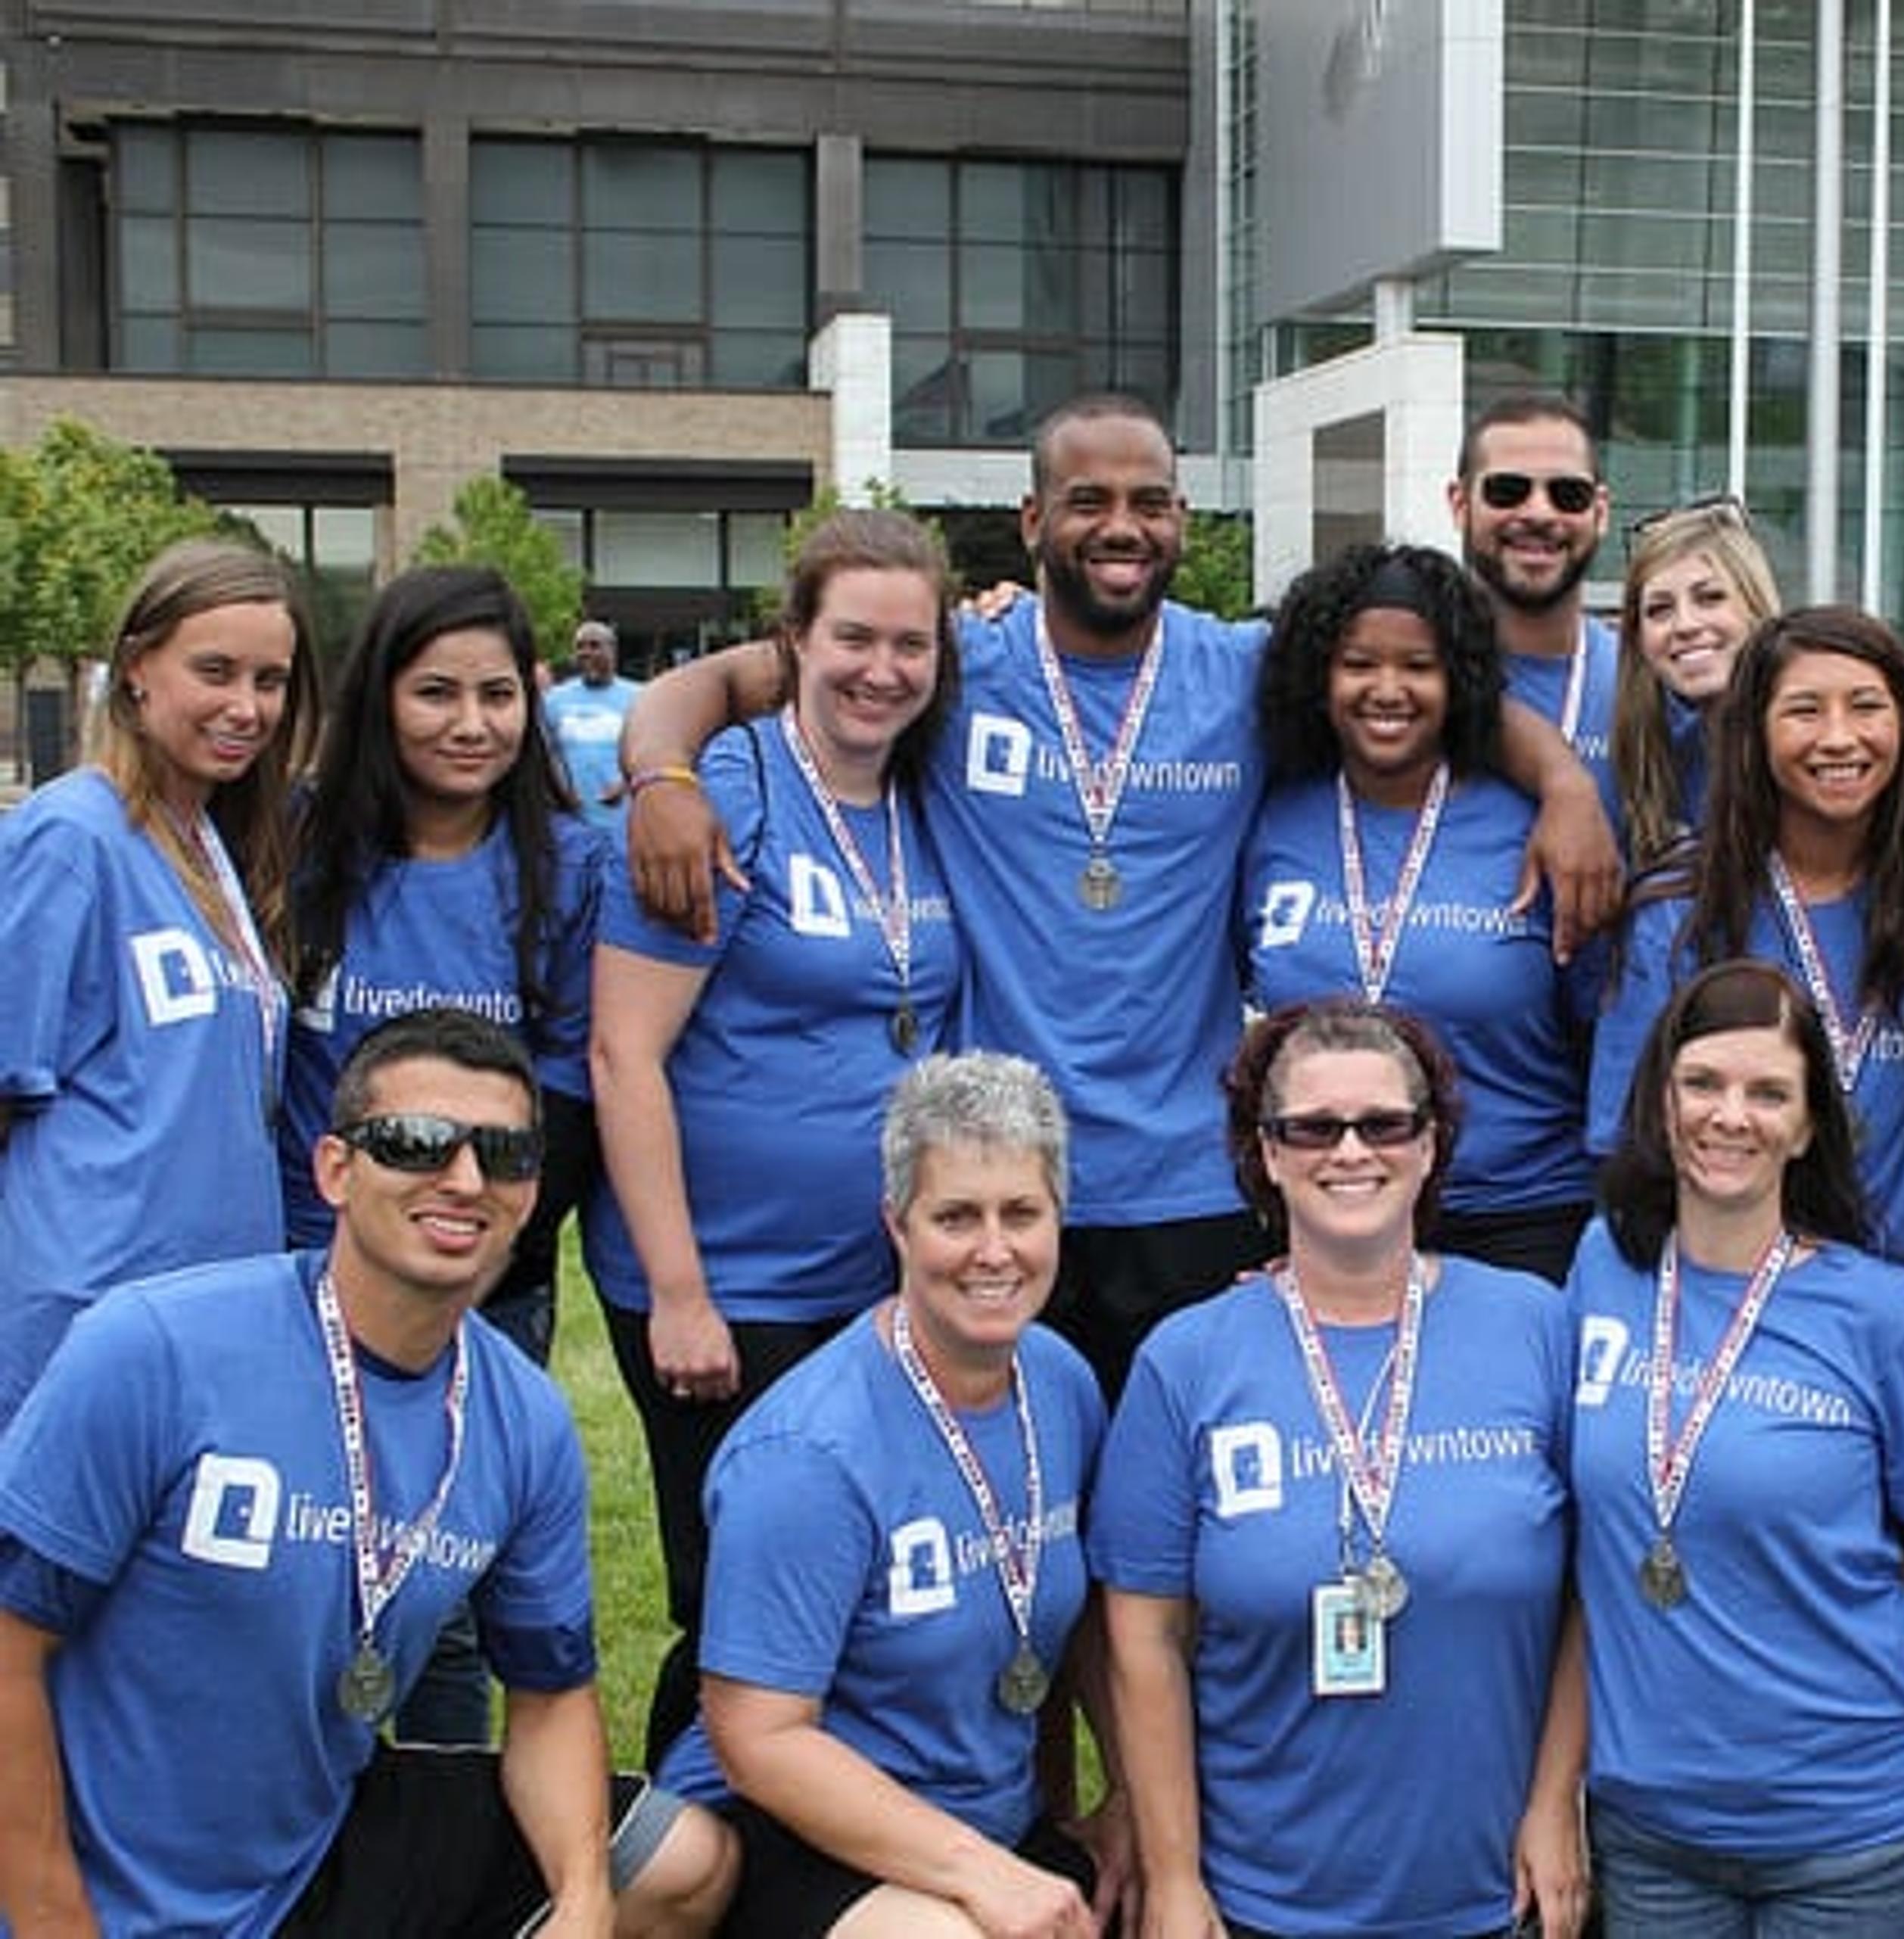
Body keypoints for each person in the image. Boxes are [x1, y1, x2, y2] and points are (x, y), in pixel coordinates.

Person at [621, 392, 1618, 1399]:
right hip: (1009, 1177)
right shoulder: (950, 661)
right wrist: (662, 771)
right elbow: (729, 682)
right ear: (1032, 520)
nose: (1121, 526)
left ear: (1182, 516)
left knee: (1176, 1474)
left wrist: (1568, 785)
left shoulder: (1242, 670)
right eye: (1088, 500)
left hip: (1190, 1189)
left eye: (1149, 502)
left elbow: (1424, 688)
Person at [0, 1008, 736, 1937]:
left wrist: (585, 1898)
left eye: (503, 1154)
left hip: (309, 1847)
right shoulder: (156, 1349)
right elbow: (8, 1648)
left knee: (681, 1863)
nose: (463, 1179)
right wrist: (52, 1920)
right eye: (415, 1143)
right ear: (335, 1170)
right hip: (90, 1873)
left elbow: (550, 1698)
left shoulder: (523, 1419)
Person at [590, 507, 968, 1766]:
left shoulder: (926, 793)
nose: (882, 670)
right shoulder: (725, 794)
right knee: (737, 1612)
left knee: (850, 1603)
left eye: (911, 644)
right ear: (793, 639)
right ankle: (680, 1847)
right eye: (853, 637)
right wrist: (680, 1293)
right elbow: (624, 1053)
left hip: (869, 1286)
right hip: (730, 1291)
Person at [1094, 1001, 1584, 1939]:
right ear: (1268, 1153)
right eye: (1314, 1128)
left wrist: (1557, 1801)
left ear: (1430, 1145)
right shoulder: (1186, 1361)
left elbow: (1590, 1595)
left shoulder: (1536, 1326)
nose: (1351, 1151)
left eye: (1385, 1124)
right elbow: (1144, 1638)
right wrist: (1176, 1877)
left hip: (1496, 1895)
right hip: (1260, 1904)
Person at [658, 1054, 1130, 1937]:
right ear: (897, 1225)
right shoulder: (806, 1456)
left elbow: (1082, 1619)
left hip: (984, 1819)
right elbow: (757, 1738)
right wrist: (986, 1876)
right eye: (956, 1217)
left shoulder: (1061, 1382)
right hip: (795, 1829)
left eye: (1021, 1213)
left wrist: (1130, 1801)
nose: (994, 1250)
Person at [1567, 959, 1904, 1934]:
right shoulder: (1602, 1267)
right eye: (1702, 1083)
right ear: (1660, 1101)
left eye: (1768, 1093)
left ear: (1808, 1125)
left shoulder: (1887, 1320)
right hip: (1651, 1832)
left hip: (1856, 1836)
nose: (1730, 1116)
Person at [288, 561, 612, 1743]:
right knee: (290, 1563)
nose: (471, 724)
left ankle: (435, 1813)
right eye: (436, 693)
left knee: (444, 1588)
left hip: (483, 1280)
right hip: (307, 1273)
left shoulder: (571, 868)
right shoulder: (299, 846)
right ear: (380, 696)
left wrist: (475, 1262)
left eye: (497, 694)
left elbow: (571, 1087)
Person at [1591, 605, 1904, 1281]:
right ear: (1754, 732)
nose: (1839, 738)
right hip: (1730, 1296)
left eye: (1866, 707)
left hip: (1899, 1297)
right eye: (1805, 711)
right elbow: (1633, 1139)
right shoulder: (1679, 913)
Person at [0, 537, 319, 1427]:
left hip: (214, 1307)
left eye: (270, 681)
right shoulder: (71, 837)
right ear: (138, 669)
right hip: (82, 1315)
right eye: (215, 672)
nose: (246, 707)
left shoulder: (218, 845)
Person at [1244, 543, 1598, 1281]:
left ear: (1460, 679)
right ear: (1318, 676)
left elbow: (1599, 1026)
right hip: (1330, 1210)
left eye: (1419, 666)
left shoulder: (1538, 829)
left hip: (1518, 1216)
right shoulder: (1274, 816)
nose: (1387, 689)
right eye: (1358, 664)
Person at [1448, 391, 1624, 801]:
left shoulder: (1648, 686)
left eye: (1569, 495)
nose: (1540, 513)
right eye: (1507, 491)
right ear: (1460, 505)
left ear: (1600, 512)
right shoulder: (1407, 677)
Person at [1611, 496, 1783, 873]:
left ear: (1755, 606)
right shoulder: (1653, 751)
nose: (1685, 625)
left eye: (1710, 598)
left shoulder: (1811, 740)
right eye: (1659, 610)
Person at [549, 619, 648, 826]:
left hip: (622, 820)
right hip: (570, 818)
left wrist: (625, 785)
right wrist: (560, 788)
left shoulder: (640, 697)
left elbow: (650, 752)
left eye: (594, 646)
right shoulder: (554, 699)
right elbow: (545, 752)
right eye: (580, 647)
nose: (586, 652)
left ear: (613, 651)